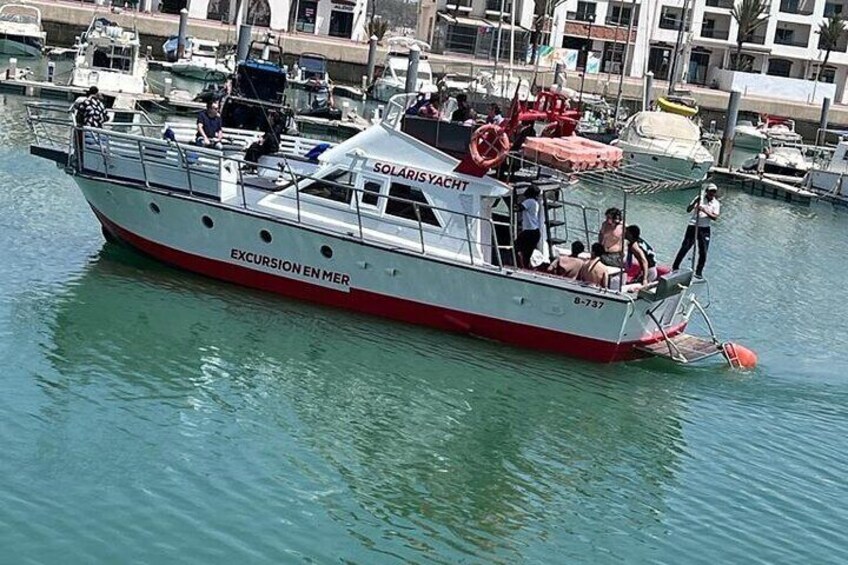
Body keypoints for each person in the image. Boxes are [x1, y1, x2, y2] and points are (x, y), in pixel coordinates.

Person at [672, 183, 721, 278]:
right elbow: (688, 209)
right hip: (693, 226)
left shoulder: (716, 203)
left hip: (705, 229)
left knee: (703, 251)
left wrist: (703, 210)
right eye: (710, 191)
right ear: (707, 191)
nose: (712, 193)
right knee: (685, 247)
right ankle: (675, 267)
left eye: (714, 191)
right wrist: (695, 202)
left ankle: (698, 272)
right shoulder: (700, 198)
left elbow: (715, 217)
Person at [515, 185, 541, 268]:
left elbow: (518, 208)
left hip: (529, 232)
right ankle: (525, 267)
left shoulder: (529, 201)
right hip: (535, 232)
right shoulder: (536, 203)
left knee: (517, 247)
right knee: (527, 254)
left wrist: (515, 201)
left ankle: (521, 266)